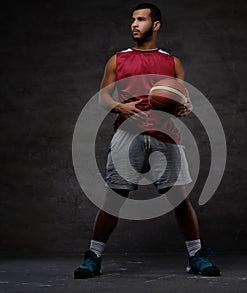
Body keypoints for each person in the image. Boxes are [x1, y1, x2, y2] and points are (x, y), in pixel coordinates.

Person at [74, 3, 220, 279]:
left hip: (165, 136)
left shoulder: (172, 62)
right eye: (132, 20)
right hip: (127, 135)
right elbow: (104, 95)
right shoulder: (117, 60)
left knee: (179, 199)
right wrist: (120, 107)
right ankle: (92, 257)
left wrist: (183, 108)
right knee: (114, 198)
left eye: (140, 19)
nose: (134, 24)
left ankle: (196, 256)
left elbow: (180, 99)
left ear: (156, 25)